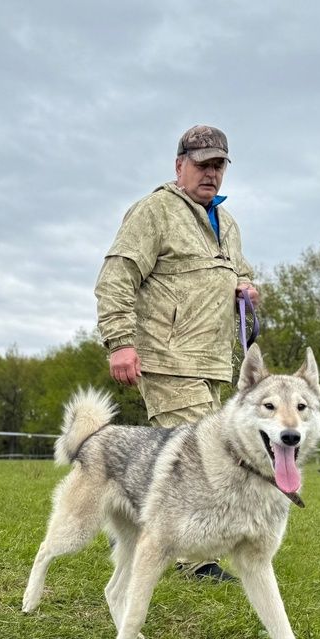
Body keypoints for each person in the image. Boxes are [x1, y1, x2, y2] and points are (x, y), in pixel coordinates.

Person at [95, 124, 258, 581]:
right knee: (195, 460)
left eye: (219, 165)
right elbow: (116, 277)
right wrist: (120, 342)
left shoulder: (227, 223)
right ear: (179, 164)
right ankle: (194, 562)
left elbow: (239, 274)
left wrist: (245, 287)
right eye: (202, 164)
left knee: (208, 456)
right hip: (167, 359)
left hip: (212, 363)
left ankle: (128, 520)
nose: (211, 173)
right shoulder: (155, 212)